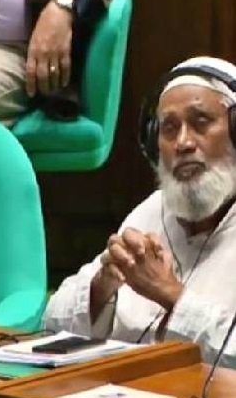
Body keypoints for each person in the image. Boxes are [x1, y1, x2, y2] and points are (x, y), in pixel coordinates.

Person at [44, 56, 236, 367]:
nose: (183, 142)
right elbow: (52, 321)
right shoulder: (153, 209)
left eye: (201, 122)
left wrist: (171, 294)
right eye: (169, 128)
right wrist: (101, 287)